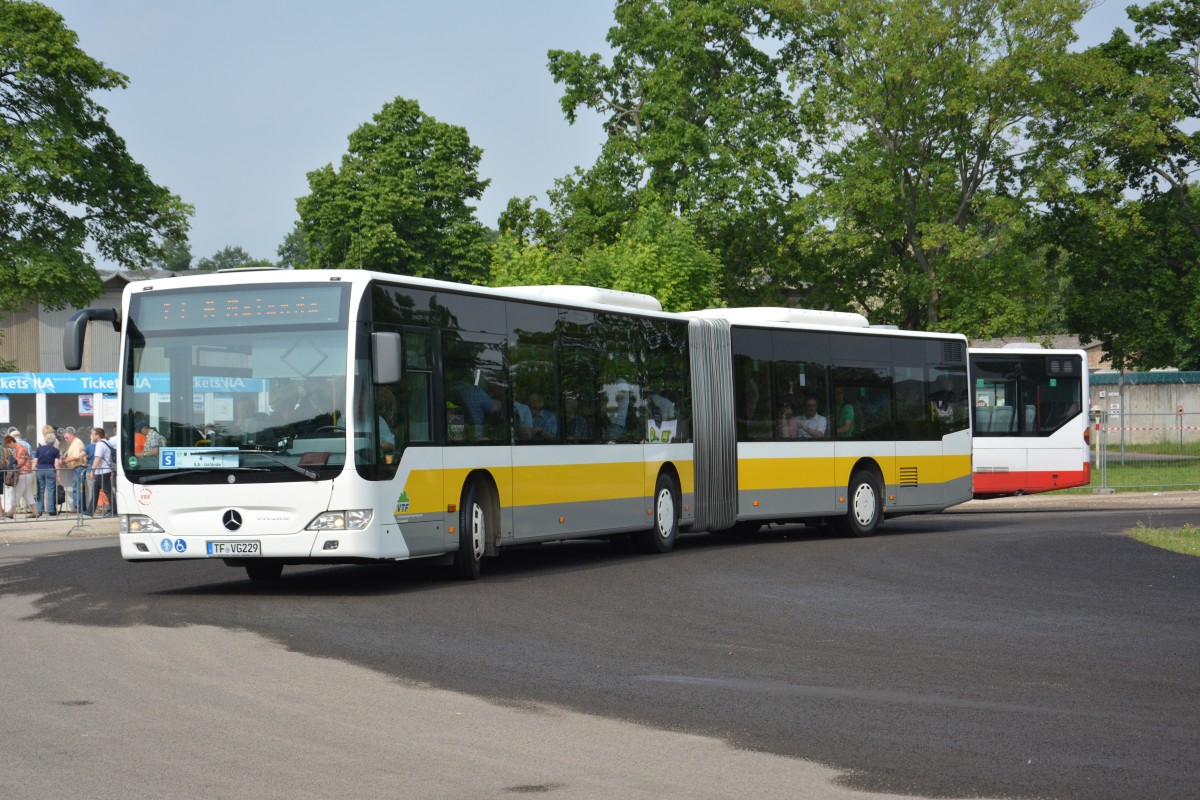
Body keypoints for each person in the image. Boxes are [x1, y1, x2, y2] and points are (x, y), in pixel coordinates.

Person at [60, 427, 87, 513]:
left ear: (71, 435)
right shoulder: (73, 443)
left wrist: (66, 460)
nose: (66, 439)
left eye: (66, 437)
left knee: (77, 488)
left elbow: (76, 456)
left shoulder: (76, 443)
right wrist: (66, 458)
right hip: (77, 468)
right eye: (65, 438)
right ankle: (79, 507)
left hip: (79, 468)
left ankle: (78, 507)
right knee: (77, 488)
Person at [89, 427, 115, 517]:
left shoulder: (100, 444)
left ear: (97, 435)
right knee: (95, 492)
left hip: (102, 472)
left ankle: (114, 511)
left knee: (108, 492)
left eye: (92, 434)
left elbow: (97, 458)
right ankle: (90, 511)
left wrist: (92, 471)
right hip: (103, 471)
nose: (91, 436)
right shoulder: (106, 442)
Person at [33, 433, 60, 517]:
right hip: (50, 470)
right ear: (54, 441)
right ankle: (51, 510)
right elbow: (56, 464)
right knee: (51, 490)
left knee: (40, 490)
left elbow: (35, 461)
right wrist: (58, 476)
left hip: (40, 470)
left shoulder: (39, 449)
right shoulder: (56, 450)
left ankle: (39, 510)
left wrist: (32, 470)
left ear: (45, 440)